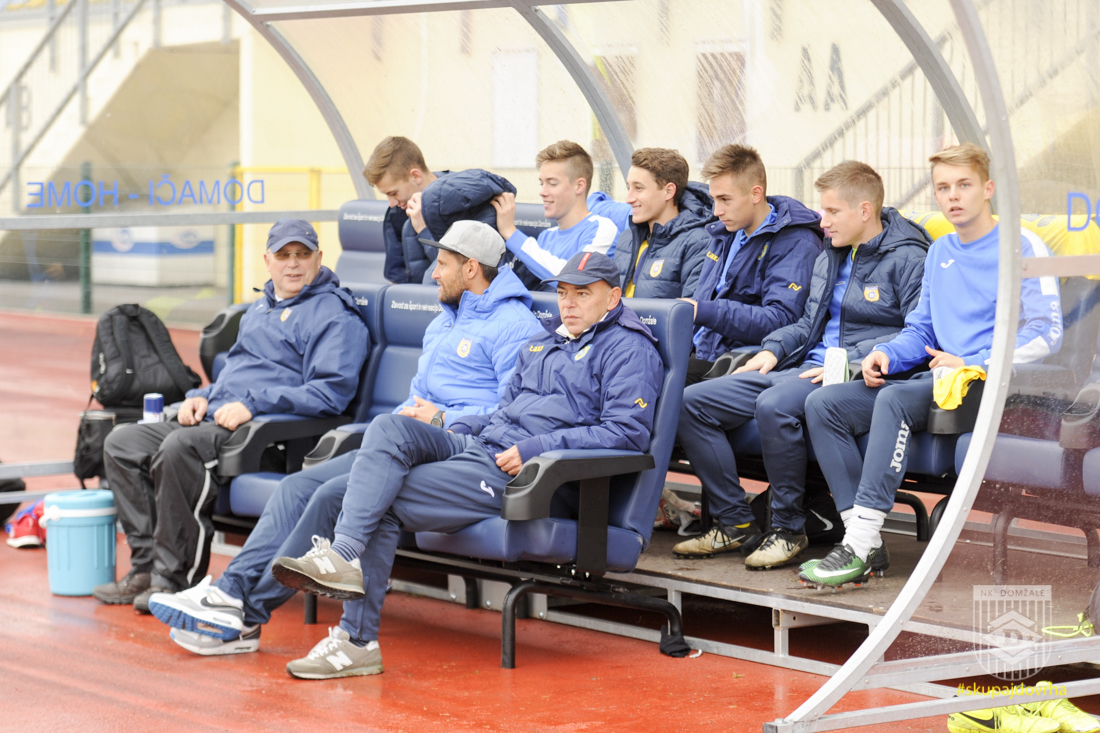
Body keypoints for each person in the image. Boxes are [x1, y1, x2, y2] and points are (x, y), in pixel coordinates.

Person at [146, 221, 543, 655]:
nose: (433, 273)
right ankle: (232, 597)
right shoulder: (442, 322)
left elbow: (513, 413)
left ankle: (241, 610)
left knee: (333, 496)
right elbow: (416, 398)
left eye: (443, 265)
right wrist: (406, 419)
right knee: (299, 486)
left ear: (471, 269)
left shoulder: (515, 325)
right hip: (405, 444)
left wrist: (444, 417)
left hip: (458, 450)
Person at [270, 251, 663, 680]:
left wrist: (537, 448)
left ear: (612, 298)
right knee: (389, 427)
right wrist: (450, 424)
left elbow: (626, 433)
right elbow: (504, 413)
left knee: (382, 500)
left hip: (529, 477)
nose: (568, 303)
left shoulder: (629, 348)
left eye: (582, 294)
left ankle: (356, 641)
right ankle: (344, 558)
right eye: (563, 293)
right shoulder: (545, 340)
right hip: (483, 446)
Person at [800, 143, 1063, 588]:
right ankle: (863, 540)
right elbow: (921, 329)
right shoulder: (940, 251)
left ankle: (857, 546)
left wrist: (972, 361)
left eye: (964, 185)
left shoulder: (1021, 244)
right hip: (943, 380)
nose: (953, 196)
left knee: (896, 400)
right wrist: (886, 354)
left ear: (988, 189)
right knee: (824, 405)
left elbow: (1047, 333)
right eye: (943, 188)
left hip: (994, 383)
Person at [95, 219, 370, 611]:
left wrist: (255, 404)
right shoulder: (260, 307)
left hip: (269, 434)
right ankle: (145, 566)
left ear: (319, 258)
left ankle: (173, 581)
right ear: (268, 261)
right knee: (122, 441)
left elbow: (331, 394)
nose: (293, 263)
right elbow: (235, 374)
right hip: (223, 416)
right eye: (284, 255)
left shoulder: (336, 315)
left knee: (179, 446)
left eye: (302, 254)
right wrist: (201, 397)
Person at [671, 161, 930, 566]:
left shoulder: (909, 257)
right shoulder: (831, 255)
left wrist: (847, 361)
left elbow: (917, 333)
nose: (822, 222)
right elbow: (808, 323)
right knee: (692, 402)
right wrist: (772, 350)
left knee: (774, 404)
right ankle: (736, 522)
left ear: (865, 210)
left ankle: (788, 529)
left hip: (854, 375)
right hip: (804, 366)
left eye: (832, 211)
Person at [683, 144, 824, 384]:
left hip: (737, 361)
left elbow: (782, 319)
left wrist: (704, 312)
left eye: (725, 199)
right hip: (700, 352)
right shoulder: (724, 232)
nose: (717, 211)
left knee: (654, 381)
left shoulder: (796, 241)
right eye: (714, 199)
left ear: (756, 194)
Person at [491, 140, 619, 289]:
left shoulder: (602, 229)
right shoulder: (546, 236)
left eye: (552, 183)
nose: (542, 192)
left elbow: (573, 278)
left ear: (579, 186)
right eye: (542, 184)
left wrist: (511, 233)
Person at [615, 147, 714, 299]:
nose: (629, 198)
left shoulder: (698, 242)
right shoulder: (627, 239)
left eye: (638, 188)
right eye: (629, 188)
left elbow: (690, 309)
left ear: (668, 191)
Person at [364, 136, 444, 284]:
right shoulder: (397, 214)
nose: (392, 203)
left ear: (415, 176)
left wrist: (423, 230)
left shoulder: (461, 201)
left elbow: (459, 271)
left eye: (394, 193)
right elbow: (397, 280)